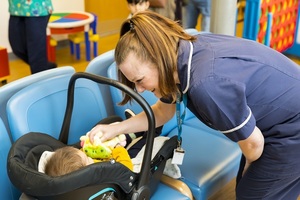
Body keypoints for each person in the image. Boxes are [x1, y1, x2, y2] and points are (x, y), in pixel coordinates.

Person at [88, 11, 300, 199]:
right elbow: (162, 112)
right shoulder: (181, 54)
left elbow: (254, 146)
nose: (139, 89)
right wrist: (113, 129)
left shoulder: (206, 83)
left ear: (158, 59)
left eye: (139, 80)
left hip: (291, 128)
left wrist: (250, 187)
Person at [8, 0, 57, 74]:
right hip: (16, 8)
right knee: (18, 48)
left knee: (36, 56)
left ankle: (41, 71)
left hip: (37, 8)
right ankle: (44, 66)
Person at [44, 145, 133, 177]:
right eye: (87, 158)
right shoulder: (101, 173)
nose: (89, 158)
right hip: (122, 158)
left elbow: (79, 156)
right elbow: (126, 169)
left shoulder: (79, 165)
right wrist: (119, 149)